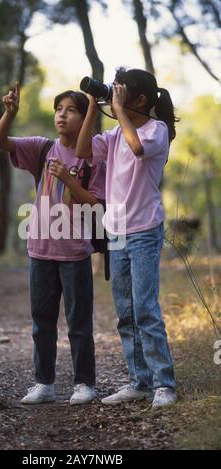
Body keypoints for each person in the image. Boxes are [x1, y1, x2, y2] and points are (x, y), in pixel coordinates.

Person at [0, 83, 105, 405]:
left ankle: (85, 384)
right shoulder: (42, 149)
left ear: (85, 118)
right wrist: (9, 113)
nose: (62, 115)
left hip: (75, 252)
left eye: (70, 110)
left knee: (79, 324)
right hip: (40, 249)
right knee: (42, 321)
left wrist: (69, 180)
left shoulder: (94, 157)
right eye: (59, 109)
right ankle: (45, 384)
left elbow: (96, 204)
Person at [76, 68, 178, 407]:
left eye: (121, 94)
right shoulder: (114, 134)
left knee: (145, 309)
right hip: (116, 231)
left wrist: (118, 111)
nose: (115, 98)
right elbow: (83, 151)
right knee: (125, 311)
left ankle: (164, 384)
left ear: (140, 100)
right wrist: (93, 105)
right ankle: (138, 381)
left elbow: (137, 149)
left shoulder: (156, 130)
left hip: (145, 231)